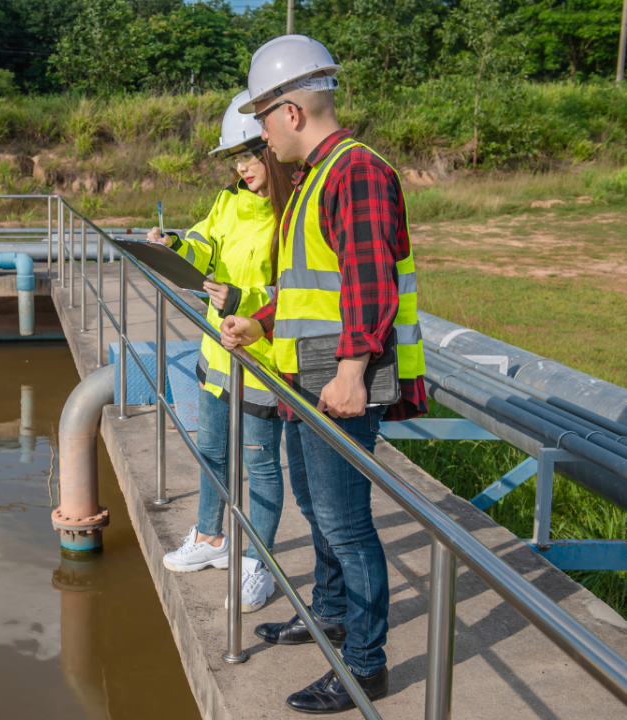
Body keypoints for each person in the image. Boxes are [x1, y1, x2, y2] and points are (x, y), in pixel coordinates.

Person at [220, 35, 427, 714]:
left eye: (262, 117)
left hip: (335, 384)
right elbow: (318, 282)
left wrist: (353, 369)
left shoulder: (354, 172)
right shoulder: (319, 177)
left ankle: (364, 665)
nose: (260, 134)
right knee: (318, 508)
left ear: (292, 111)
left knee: (345, 524)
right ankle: (329, 618)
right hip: (304, 377)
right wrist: (265, 321)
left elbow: (368, 280)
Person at [148, 90, 297, 614]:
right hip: (217, 353)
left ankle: (260, 563)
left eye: (251, 156)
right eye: (236, 158)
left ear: (274, 150)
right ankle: (211, 541)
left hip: (261, 361)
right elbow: (204, 243)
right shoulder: (228, 201)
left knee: (261, 467)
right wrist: (173, 246)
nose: (243, 168)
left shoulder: (292, 213)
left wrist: (241, 299)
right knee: (212, 451)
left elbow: (293, 296)